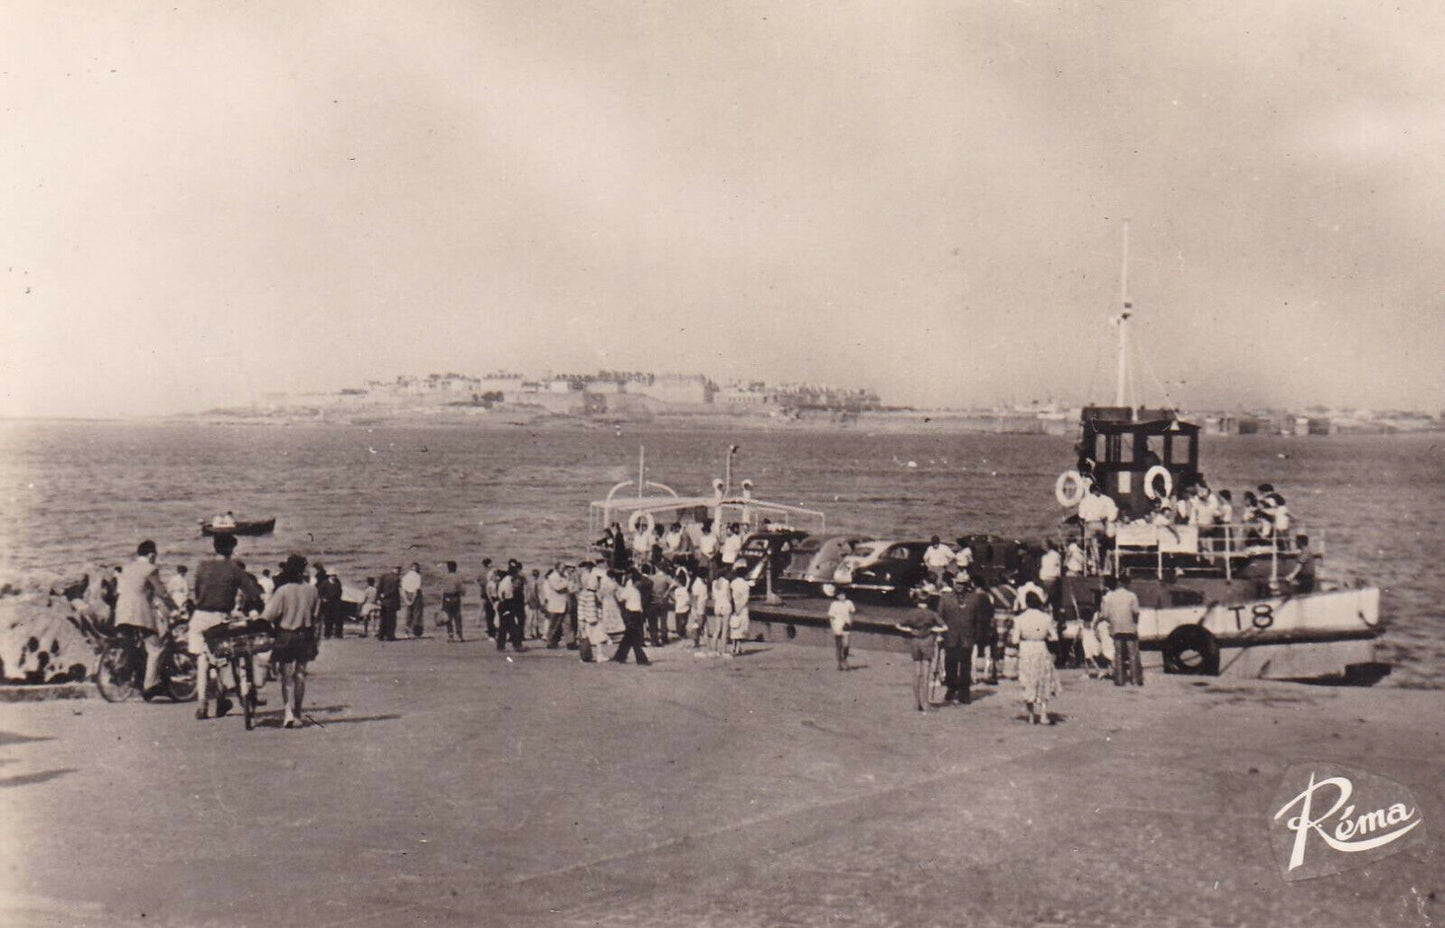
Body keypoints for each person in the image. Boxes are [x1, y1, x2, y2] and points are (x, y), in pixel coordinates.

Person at [188, 533, 251, 718]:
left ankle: (202, 705)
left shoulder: (201, 567)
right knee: (225, 658)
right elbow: (252, 592)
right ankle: (224, 697)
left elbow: (198, 593)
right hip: (219, 618)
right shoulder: (234, 569)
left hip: (199, 617)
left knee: (202, 660)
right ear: (232, 549)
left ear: (214, 547)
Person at [114, 540, 179, 700]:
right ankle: (150, 685)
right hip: (139, 611)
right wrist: (175, 607)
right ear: (151, 555)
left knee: (131, 644)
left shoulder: (127, 568)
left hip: (121, 611)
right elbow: (162, 592)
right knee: (155, 646)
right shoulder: (151, 569)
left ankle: (127, 674)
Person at [262, 554, 321, 729]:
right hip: (306, 635)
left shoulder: (283, 590)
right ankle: (298, 713)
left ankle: (288, 713)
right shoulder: (312, 590)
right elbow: (316, 616)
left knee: (286, 676)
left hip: (286, 635)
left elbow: (268, 615)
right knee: (300, 675)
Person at [1010, 591, 1061, 724]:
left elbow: (1015, 640)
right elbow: (1055, 637)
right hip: (1041, 648)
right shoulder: (1046, 618)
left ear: (1026, 603)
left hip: (1026, 649)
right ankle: (1043, 714)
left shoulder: (1019, 619)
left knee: (1028, 681)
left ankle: (1031, 715)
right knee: (1043, 681)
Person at [894, 603, 944, 713]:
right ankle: (925, 703)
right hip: (927, 641)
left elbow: (898, 625)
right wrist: (932, 630)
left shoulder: (911, 613)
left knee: (916, 672)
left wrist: (910, 630)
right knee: (926, 672)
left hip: (915, 641)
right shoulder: (931, 613)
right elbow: (944, 627)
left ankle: (917, 703)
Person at [936, 573, 975, 703]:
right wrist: (941, 633)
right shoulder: (945, 598)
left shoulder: (973, 598)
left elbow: (977, 618)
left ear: (967, 585)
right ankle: (951, 688)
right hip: (950, 636)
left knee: (965, 665)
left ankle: (964, 693)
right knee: (950, 664)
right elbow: (939, 617)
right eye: (958, 583)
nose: (959, 586)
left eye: (963, 584)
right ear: (954, 583)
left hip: (967, 637)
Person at [1099, 574, 1142, 686]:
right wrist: (1135, 622)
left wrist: (1113, 620)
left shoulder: (1111, 596)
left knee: (1118, 654)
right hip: (1129, 628)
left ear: (1119, 583)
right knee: (1132, 654)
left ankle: (1119, 679)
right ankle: (1134, 679)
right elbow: (1136, 612)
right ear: (1127, 584)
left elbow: (1105, 614)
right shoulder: (1132, 596)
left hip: (1116, 628)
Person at [611, 570, 651, 665]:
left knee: (628, 637)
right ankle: (641, 659)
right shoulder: (629, 590)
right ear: (636, 582)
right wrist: (615, 594)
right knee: (635, 637)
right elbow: (621, 598)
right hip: (632, 614)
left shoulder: (636, 590)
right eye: (639, 581)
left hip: (636, 614)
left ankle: (620, 656)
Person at [1077, 483, 1119, 571]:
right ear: (1096, 490)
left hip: (1090, 525)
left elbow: (1081, 516)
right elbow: (1107, 514)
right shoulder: (1102, 500)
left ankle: (1094, 566)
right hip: (1099, 525)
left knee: (1090, 546)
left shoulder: (1085, 501)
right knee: (1099, 545)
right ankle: (1099, 565)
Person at [496, 561, 526, 652]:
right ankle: (516, 645)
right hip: (507, 604)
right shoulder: (509, 582)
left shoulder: (505, 580)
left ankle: (501, 646)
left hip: (503, 604)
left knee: (504, 626)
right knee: (512, 625)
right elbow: (508, 596)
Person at [543, 563, 570, 648]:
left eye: (564, 568)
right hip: (555, 604)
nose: (563, 570)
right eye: (562, 568)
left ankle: (570, 642)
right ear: (557, 568)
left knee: (567, 624)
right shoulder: (552, 577)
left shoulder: (565, 575)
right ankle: (550, 642)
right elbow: (558, 588)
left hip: (564, 603)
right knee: (554, 625)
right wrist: (566, 583)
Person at [827, 590, 855, 670]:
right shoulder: (834, 604)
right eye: (840, 595)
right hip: (837, 625)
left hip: (846, 626)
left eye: (843, 594)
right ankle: (839, 663)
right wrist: (833, 627)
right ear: (837, 596)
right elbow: (831, 617)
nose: (842, 596)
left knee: (846, 645)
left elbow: (852, 612)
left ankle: (844, 658)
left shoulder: (849, 603)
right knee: (839, 645)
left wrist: (850, 622)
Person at [728, 566, 751, 656]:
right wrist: (740, 608)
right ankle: (738, 647)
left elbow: (730, 595)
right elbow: (745, 599)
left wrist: (734, 607)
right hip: (742, 608)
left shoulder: (733, 583)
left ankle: (733, 646)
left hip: (734, 606)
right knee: (741, 628)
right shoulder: (746, 585)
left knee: (734, 627)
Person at [440, 561, 466, 642]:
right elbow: (462, 590)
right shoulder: (457, 577)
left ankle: (450, 635)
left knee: (448, 617)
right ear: (455, 567)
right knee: (457, 617)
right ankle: (459, 635)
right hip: (455, 598)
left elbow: (442, 589)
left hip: (446, 598)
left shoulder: (444, 577)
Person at [317, 565, 345, 639]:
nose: (334, 577)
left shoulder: (337, 582)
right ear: (329, 575)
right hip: (328, 603)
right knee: (328, 619)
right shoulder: (325, 583)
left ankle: (338, 634)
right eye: (332, 575)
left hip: (337, 602)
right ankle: (327, 634)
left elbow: (340, 591)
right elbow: (319, 592)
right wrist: (323, 599)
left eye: (335, 575)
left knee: (338, 619)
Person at [709, 569, 732, 655]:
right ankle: (724, 650)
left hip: (717, 606)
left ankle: (713, 650)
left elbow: (713, 597)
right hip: (725, 605)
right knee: (725, 630)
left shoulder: (714, 583)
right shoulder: (726, 582)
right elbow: (729, 597)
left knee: (717, 629)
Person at [376, 566, 402, 641]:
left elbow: (379, 588)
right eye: (399, 570)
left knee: (383, 619)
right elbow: (394, 591)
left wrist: (379, 598)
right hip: (391, 602)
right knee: (391, 620)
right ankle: (390, 636)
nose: (400, 572)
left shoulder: (384, 576)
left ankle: (381, 635)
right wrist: (386, 595)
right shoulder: (396, 579)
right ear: (397, 570)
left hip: (383, 602)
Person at [401, 563, 424, 638]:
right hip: (415, 596)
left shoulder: (405, 576)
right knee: (417, 614)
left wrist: (406, 600)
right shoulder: (417, 576)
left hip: (407, 594)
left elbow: (403, 590)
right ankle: (416, 632)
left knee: (408, 614)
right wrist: (413, 600)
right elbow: (416, 590)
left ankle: (406, 632)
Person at [477, 557, 497, 639]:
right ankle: (490, 628)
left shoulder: (481, 573)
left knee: (483, 609)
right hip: (491, 593)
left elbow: (478, 581)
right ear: (489, 564)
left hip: (483, 593)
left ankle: (478, 622)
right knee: (492, 612)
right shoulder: (491, 572)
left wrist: (482, 586)